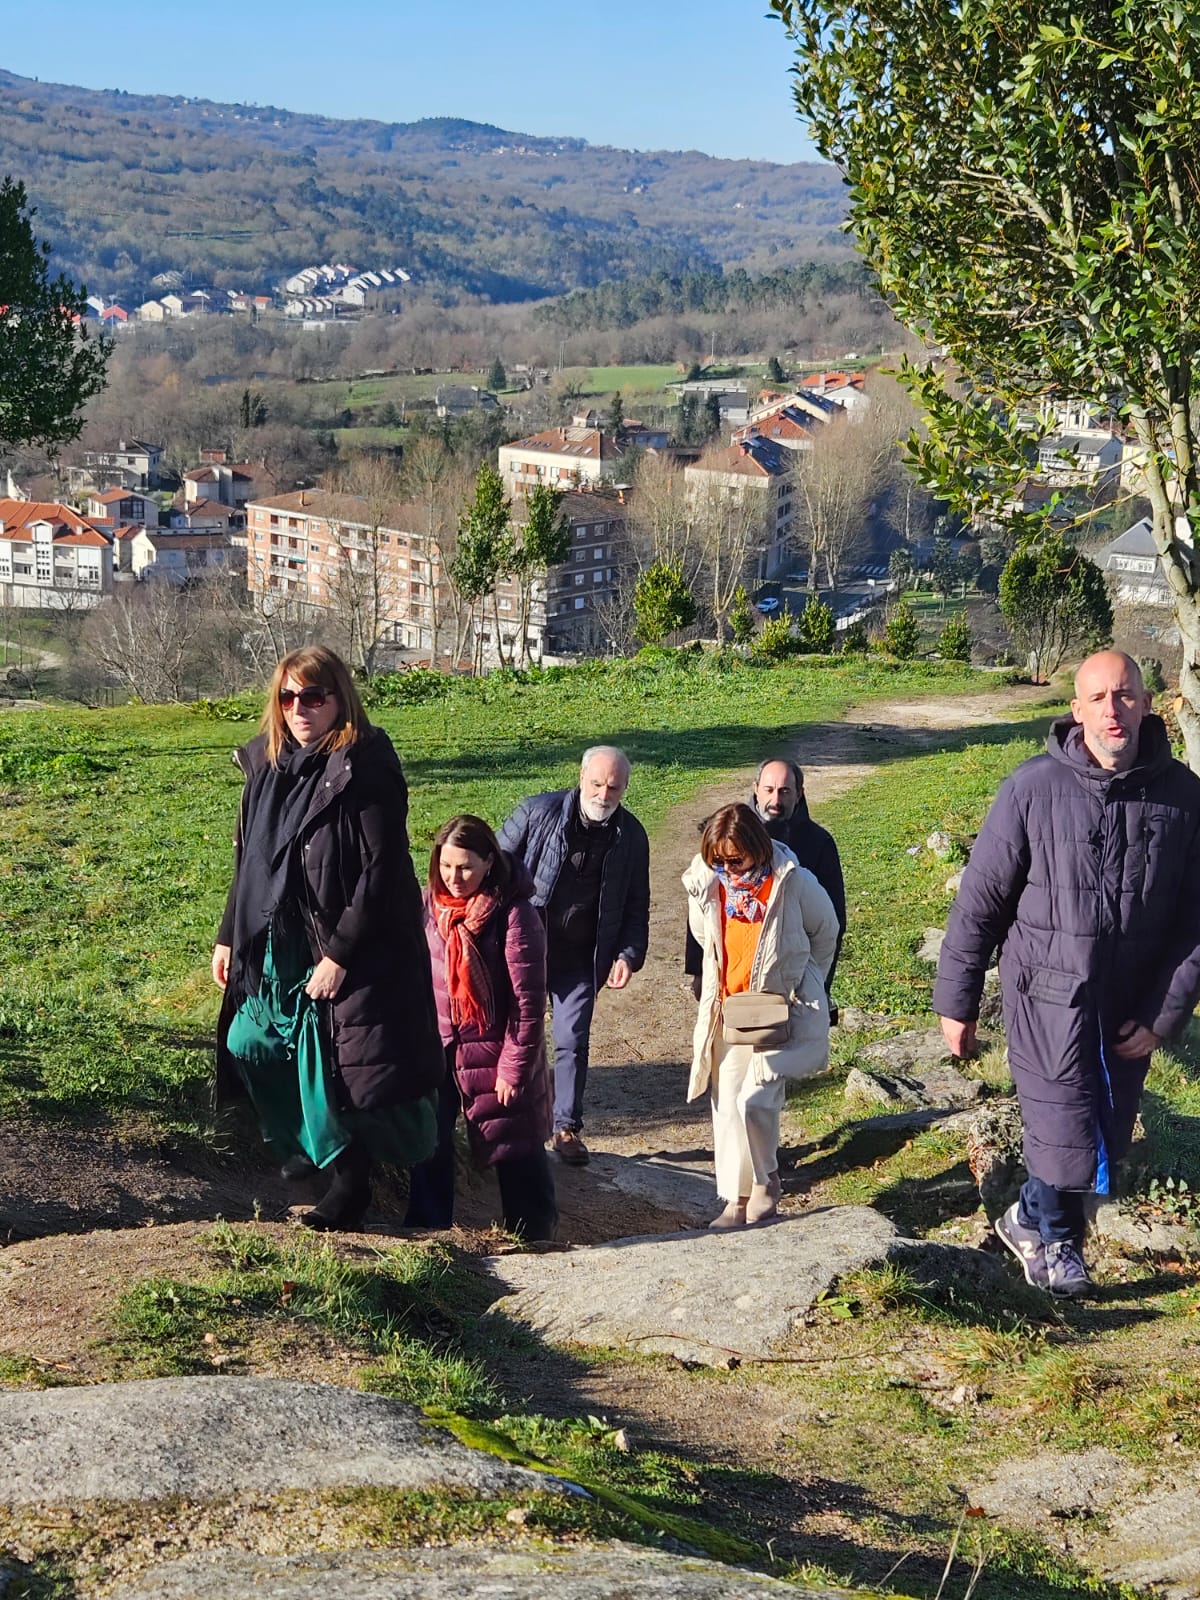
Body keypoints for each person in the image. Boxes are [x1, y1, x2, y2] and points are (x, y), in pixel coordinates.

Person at [934, 651, 1200, 1297]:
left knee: (1107, 1127)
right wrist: (957, 1001)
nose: (1114, 710)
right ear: (1076, 710)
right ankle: (1056, 1242)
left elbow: (1197, 922)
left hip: (1131, 1002)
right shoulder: (1032, 789)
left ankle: (1028, 1216)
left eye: (1126, 695)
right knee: (1064, 1125)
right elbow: (981, 903)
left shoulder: (1185, 797)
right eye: (1099, 698)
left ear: (1147, 702)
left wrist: (1166, 1015)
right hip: (1046, 993)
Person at [212, 646, 445, 1232]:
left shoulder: (364, 764)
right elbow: (250, 864)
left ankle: (349, 1189)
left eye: (313, 696)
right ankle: (305, 1147)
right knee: (250, 1039)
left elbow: (383, 867)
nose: (299, 709)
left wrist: (340, 953)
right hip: (276, 937)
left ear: (340, 699)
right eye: (288, 697)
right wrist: (226, 937)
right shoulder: (267, 767)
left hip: (342, 939)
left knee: (334, 1067)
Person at [683, 802, 839, 1228]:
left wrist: (806, 981)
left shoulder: (794, 882)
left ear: (757, 847)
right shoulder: (707, 884)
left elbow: (827, 930)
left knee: (757, 1098)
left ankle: (767, 1182)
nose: (729, 870)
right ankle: (736, 1199)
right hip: (732, 1009)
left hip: (780, 1009)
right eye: (719, 861)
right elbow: (705, 937)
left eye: (736, 860)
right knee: (729, 1106)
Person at [405, 814, 557, 1240]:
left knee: (512, 1138)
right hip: (441, 1045)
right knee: (429, 1136)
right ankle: (428, 1228)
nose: (454, 877)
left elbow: (528, 1006)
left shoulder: (515, 915)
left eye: (466, 866)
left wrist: (513, 1067)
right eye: (446, 865)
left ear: (489, 862)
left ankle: (534, 1233)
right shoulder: (429, 907)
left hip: (495, 1049)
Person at [498, 745, 650, 1167]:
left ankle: (565, 1127)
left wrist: (628, 954)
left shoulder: (632, 836)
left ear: (625, 788)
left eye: (614, 787)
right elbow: (491, 867)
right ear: (581, 777)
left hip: (584, 956)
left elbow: (637, 903)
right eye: (598, 783)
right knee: (517, 1032)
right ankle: (508, 1119)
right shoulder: (535, 813)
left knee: (572, 1039)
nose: (604, 794)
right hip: (527, 949)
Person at [684, 757, 846, 1015]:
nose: (776, 801)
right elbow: (703, 909)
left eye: (785, 791)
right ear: (756, 788)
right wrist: (698, 970)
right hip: (732, 987)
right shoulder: (726, 834)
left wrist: (815, 984)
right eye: (769, 790)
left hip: (786, 986)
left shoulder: (818, 843)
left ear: (799, 794)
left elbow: (830, 925)